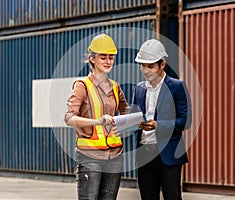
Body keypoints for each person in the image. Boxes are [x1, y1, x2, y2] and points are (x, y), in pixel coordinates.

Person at [64, 33, 129, 200]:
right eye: (103, 57)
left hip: (114, 156)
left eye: (111, 57)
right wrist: (97, 122)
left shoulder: (115, 87)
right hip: (89, 157)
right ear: (92, 59)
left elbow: (126, 112)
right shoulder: (82, 86)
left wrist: (127, 124)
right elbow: (69, 118)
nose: (108, 62)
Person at [131, 39, 191, 200]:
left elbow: (185, 121)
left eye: (150, 66)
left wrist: (158, 125)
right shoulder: (139, 88)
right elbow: (134, 115)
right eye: (143, 65)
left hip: (168, 154)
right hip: (145, 154)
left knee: (172, 197)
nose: (145, 70)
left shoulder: (177, 87)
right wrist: (132, 122)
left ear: (162, 64)